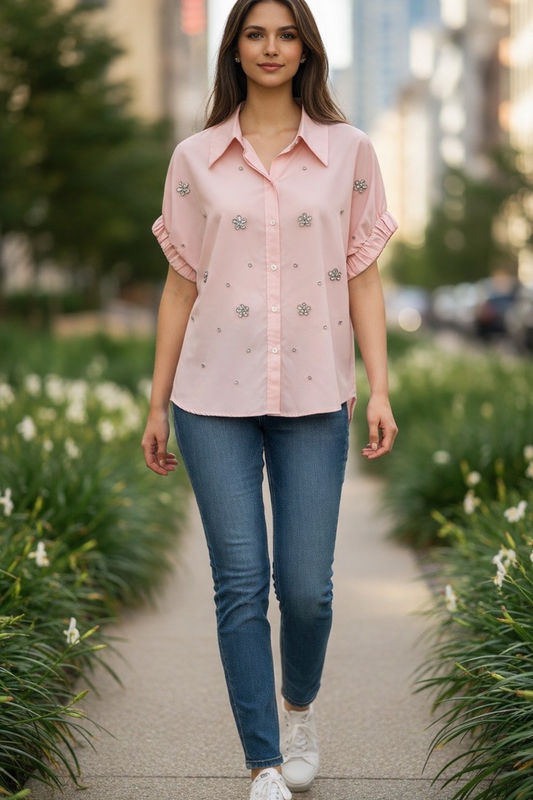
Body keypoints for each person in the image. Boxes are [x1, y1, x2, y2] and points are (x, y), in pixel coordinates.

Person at [141, 1, 398, 797]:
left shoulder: (348, 151)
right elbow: (181, 285)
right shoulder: (194, 158)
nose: (271, 47)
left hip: (318, 392)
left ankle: (299, 708)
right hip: (210, 394)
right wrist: (155, 405)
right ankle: (262, 760)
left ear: (306, 48)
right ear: (234, 48)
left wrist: (380, 386)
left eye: (286, 33)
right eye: (255, 33)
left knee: (307, 589)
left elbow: (361, 272)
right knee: (241, 581)